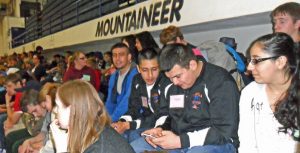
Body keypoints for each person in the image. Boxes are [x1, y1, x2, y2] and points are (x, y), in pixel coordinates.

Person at [131, 44, 239, 153]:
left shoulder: (220, 82)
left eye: (177, 76)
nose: (174, 82)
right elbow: (170, 116)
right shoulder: (171, 84)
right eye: (170, 78)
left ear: (192, 65)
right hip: (180, 141)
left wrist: (180, 141)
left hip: (216, 143)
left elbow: (223, 132)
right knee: (135, 148)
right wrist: (161, 129)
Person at [239, 33, 300, 153]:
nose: (249, 67)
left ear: (280, 62)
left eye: (256, 60)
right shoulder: (250, 93)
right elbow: (246, 142)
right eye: (249, 61)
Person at [51, 80, 135, 153]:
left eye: (58, 106)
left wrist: (61, 149)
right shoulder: (94, 130)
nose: (55, 110)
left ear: (73, 110)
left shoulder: (100, 147)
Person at [112, 48, 170, 142]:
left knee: (134, 139)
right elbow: (133, 109)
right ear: (138, 69)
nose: (150, 75)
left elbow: (162, 114)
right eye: (145, 70)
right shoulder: (137, 80)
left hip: (164, 126)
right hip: (147, 122)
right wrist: (121, 122)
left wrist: (130, 125)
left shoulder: (166, 81)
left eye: (154, 69)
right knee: (118, 136)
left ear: (160, 67)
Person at [18, 83, 60, 153]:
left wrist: (38, 149)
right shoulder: (50, 112)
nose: (44, 105)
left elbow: (55, 144)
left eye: (45, 101)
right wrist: (28, 141)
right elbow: (43, 133)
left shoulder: (55, 113)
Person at [105, 43, 138, 122]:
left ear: (129, 57)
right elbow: (110, 101)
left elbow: (127, 102)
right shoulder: (114, 76)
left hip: (134, 117)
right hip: (118, 116)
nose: (117, 58)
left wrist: (111, 120)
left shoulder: (136, 74)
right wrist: (105, 118)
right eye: (114, 55)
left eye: (121, 55)